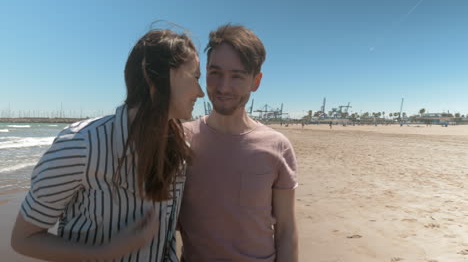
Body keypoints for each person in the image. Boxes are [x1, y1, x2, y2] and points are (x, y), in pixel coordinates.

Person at [10, 29, 204, 262]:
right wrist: (105, 252)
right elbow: (23, 239)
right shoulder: (80, 146)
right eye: (195, 77)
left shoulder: (179, 147)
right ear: (156, 78)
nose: (201, 92)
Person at [179, 24, 299, 262]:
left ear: (256, 81)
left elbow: (286, 230)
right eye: (215, 73)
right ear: (205, 71)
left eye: (237, 76)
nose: (223, 87)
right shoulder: (181, 139)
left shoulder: (278, 147)